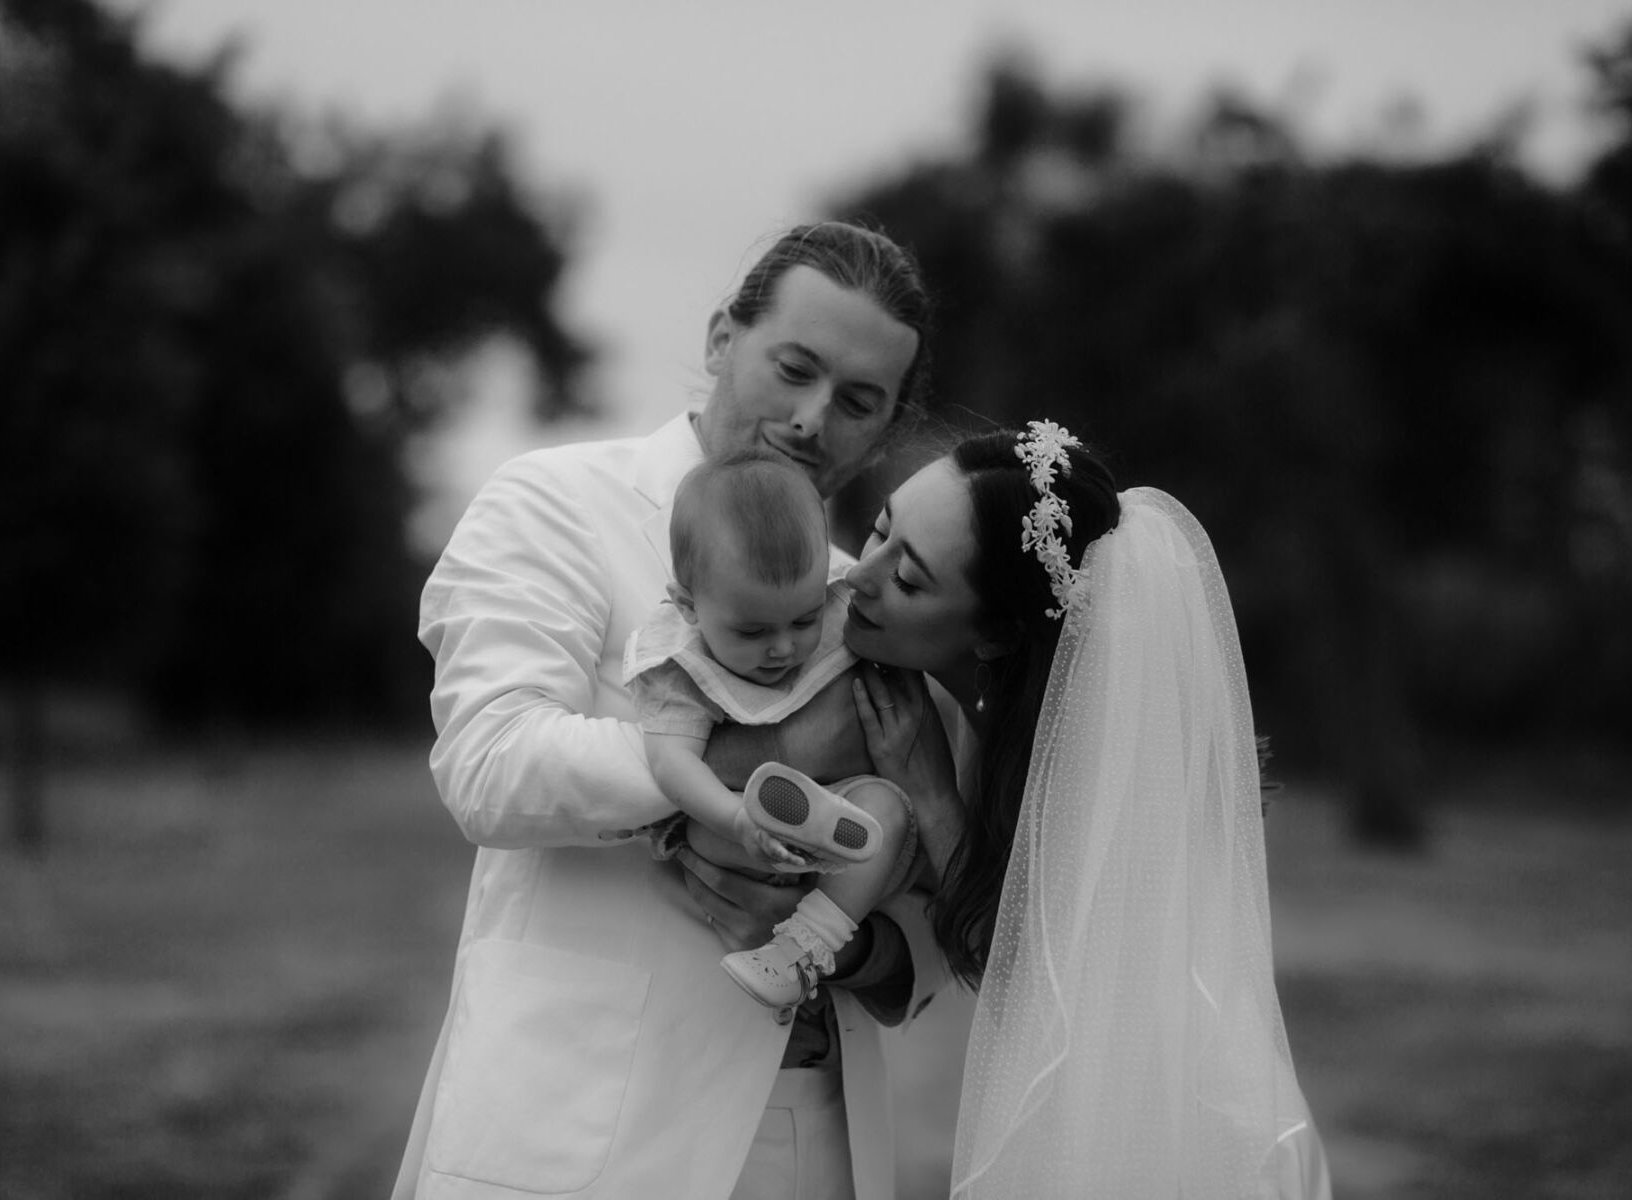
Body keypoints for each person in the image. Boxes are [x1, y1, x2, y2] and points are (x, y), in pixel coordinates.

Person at [392, 221, 951, 1200]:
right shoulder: (554, 501)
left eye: (858, 401)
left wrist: (847, 938)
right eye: (794, 367)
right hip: (583, 1133)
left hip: (811, 1133)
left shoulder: (862, 602)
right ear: (720, 340)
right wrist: (746, 770)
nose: (814, 419)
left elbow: (923, 944)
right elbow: (487, 766)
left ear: (890, 425)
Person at [835, 420, 1334, 1198]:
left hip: (1166, 1135)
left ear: (996, 636)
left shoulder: (1095, 753)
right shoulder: (983, 707)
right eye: (877, 529)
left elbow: (1052, 993)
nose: (859, 577)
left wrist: (930, 791)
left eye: (909, 581)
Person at [624, 448, 921, 1010]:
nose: (784, 647)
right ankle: (785, 827)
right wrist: (735, 818)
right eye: (753, 630)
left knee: (885, 808)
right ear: (687, 607)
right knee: (696, 826)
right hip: (742, 830)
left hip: (846, 814)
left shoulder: (840, 609)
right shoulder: (680, 664)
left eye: (805, 619)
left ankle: (804, 951)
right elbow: (672, 762)